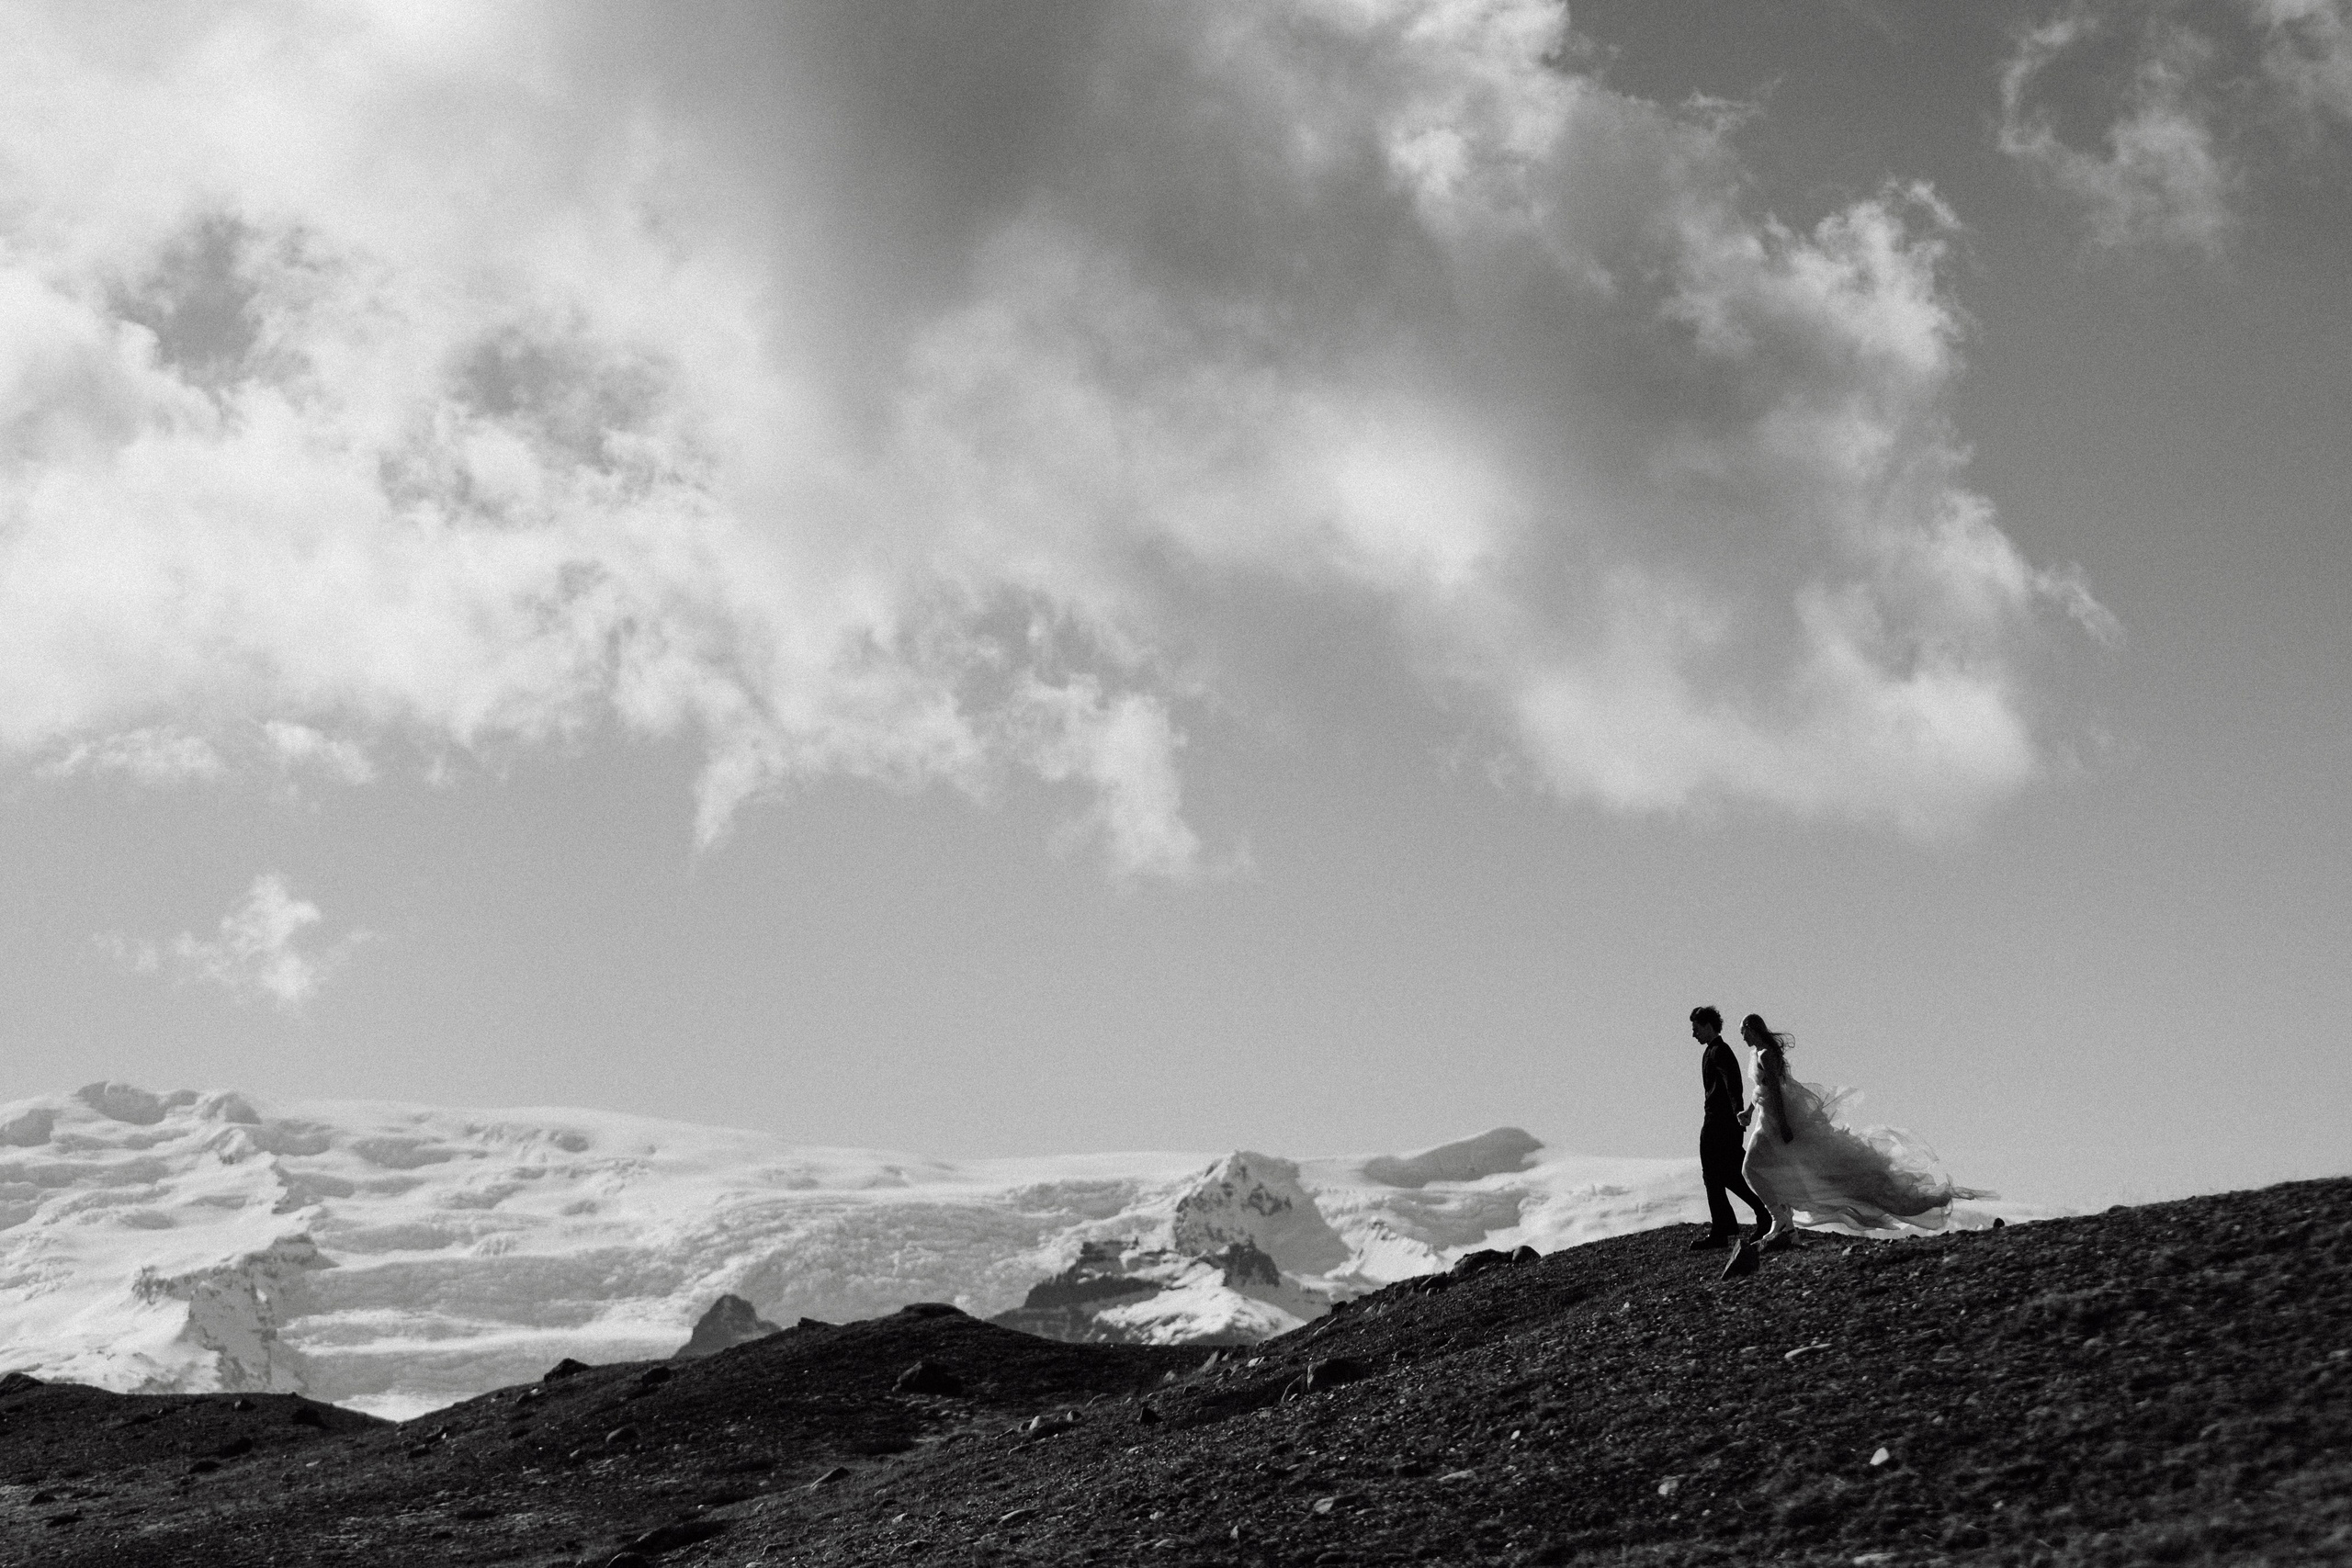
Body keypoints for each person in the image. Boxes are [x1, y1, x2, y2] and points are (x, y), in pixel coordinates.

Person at [1738, 1011, 1984, 1247]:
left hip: (1773, 1123)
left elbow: (1777, 1091)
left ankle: (1780, 1219)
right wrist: (1749, 1111)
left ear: (1752, 1028)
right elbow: (1763, 1087)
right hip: (1765, 1119)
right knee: (1774, 1172)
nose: (1742, 1037)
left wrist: (1783, 1125)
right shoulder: (1758, 1053)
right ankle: (1786, 1226)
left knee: (1751, 1169)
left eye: (1743, 1032)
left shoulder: (1766, 1055)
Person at [1688, 1005, 1768, 1251]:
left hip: (1718, 1124)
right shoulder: (1713, 1051)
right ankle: (1753, 1217)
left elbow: (1732, 1084)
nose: (1693, 1034)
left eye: (1696, 1028)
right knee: (1729, 1175)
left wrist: (1737, 1113)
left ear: (1708, 1025)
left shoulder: (1719, 1051)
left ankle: (1727, 1228)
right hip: (1723, 1122)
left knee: (1716, 1175)